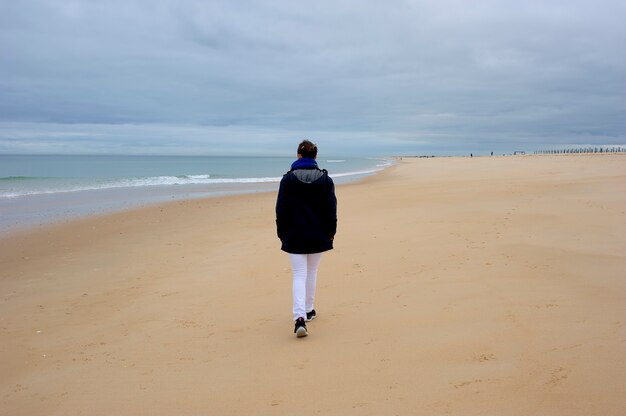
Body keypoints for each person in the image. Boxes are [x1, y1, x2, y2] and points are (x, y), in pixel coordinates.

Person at [276, 140, 337, 338]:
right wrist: (331, 232)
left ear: (298, 156)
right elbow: (331, 209)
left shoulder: (288, 180)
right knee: (311, 271)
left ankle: (300, 317)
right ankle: (308, 310)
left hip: (294, 234)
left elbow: (281, 210)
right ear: (315, 157)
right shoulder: (326, 180)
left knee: (299, 274)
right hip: (318, 233)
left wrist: (282, 233)